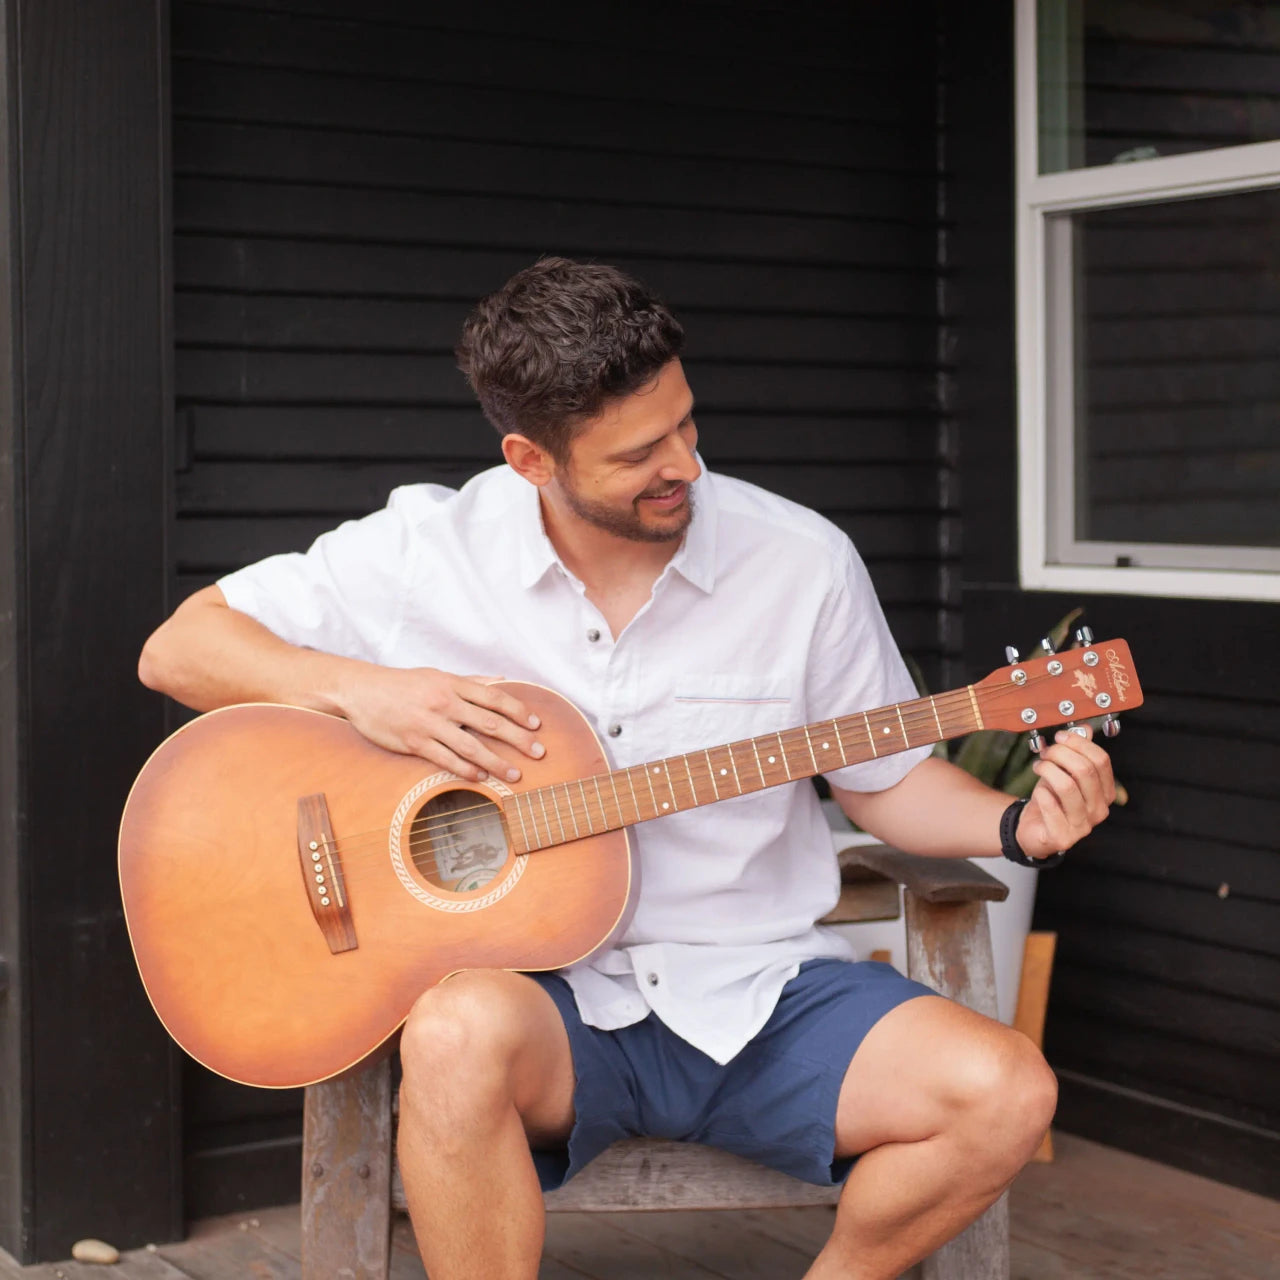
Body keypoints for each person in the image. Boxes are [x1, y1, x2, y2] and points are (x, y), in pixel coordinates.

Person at [138, 258, 1115, 1280]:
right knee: (453, 1034)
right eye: (638, 452)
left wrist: (1017, 827)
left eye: (686, 424)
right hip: (548, 1008)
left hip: (765, 992)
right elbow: (180, 647)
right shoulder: (425, 551)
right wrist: (358, 690)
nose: (684, 464)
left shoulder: (800, 560)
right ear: (531, 459)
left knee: (1005, 1091)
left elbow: (885, 782)